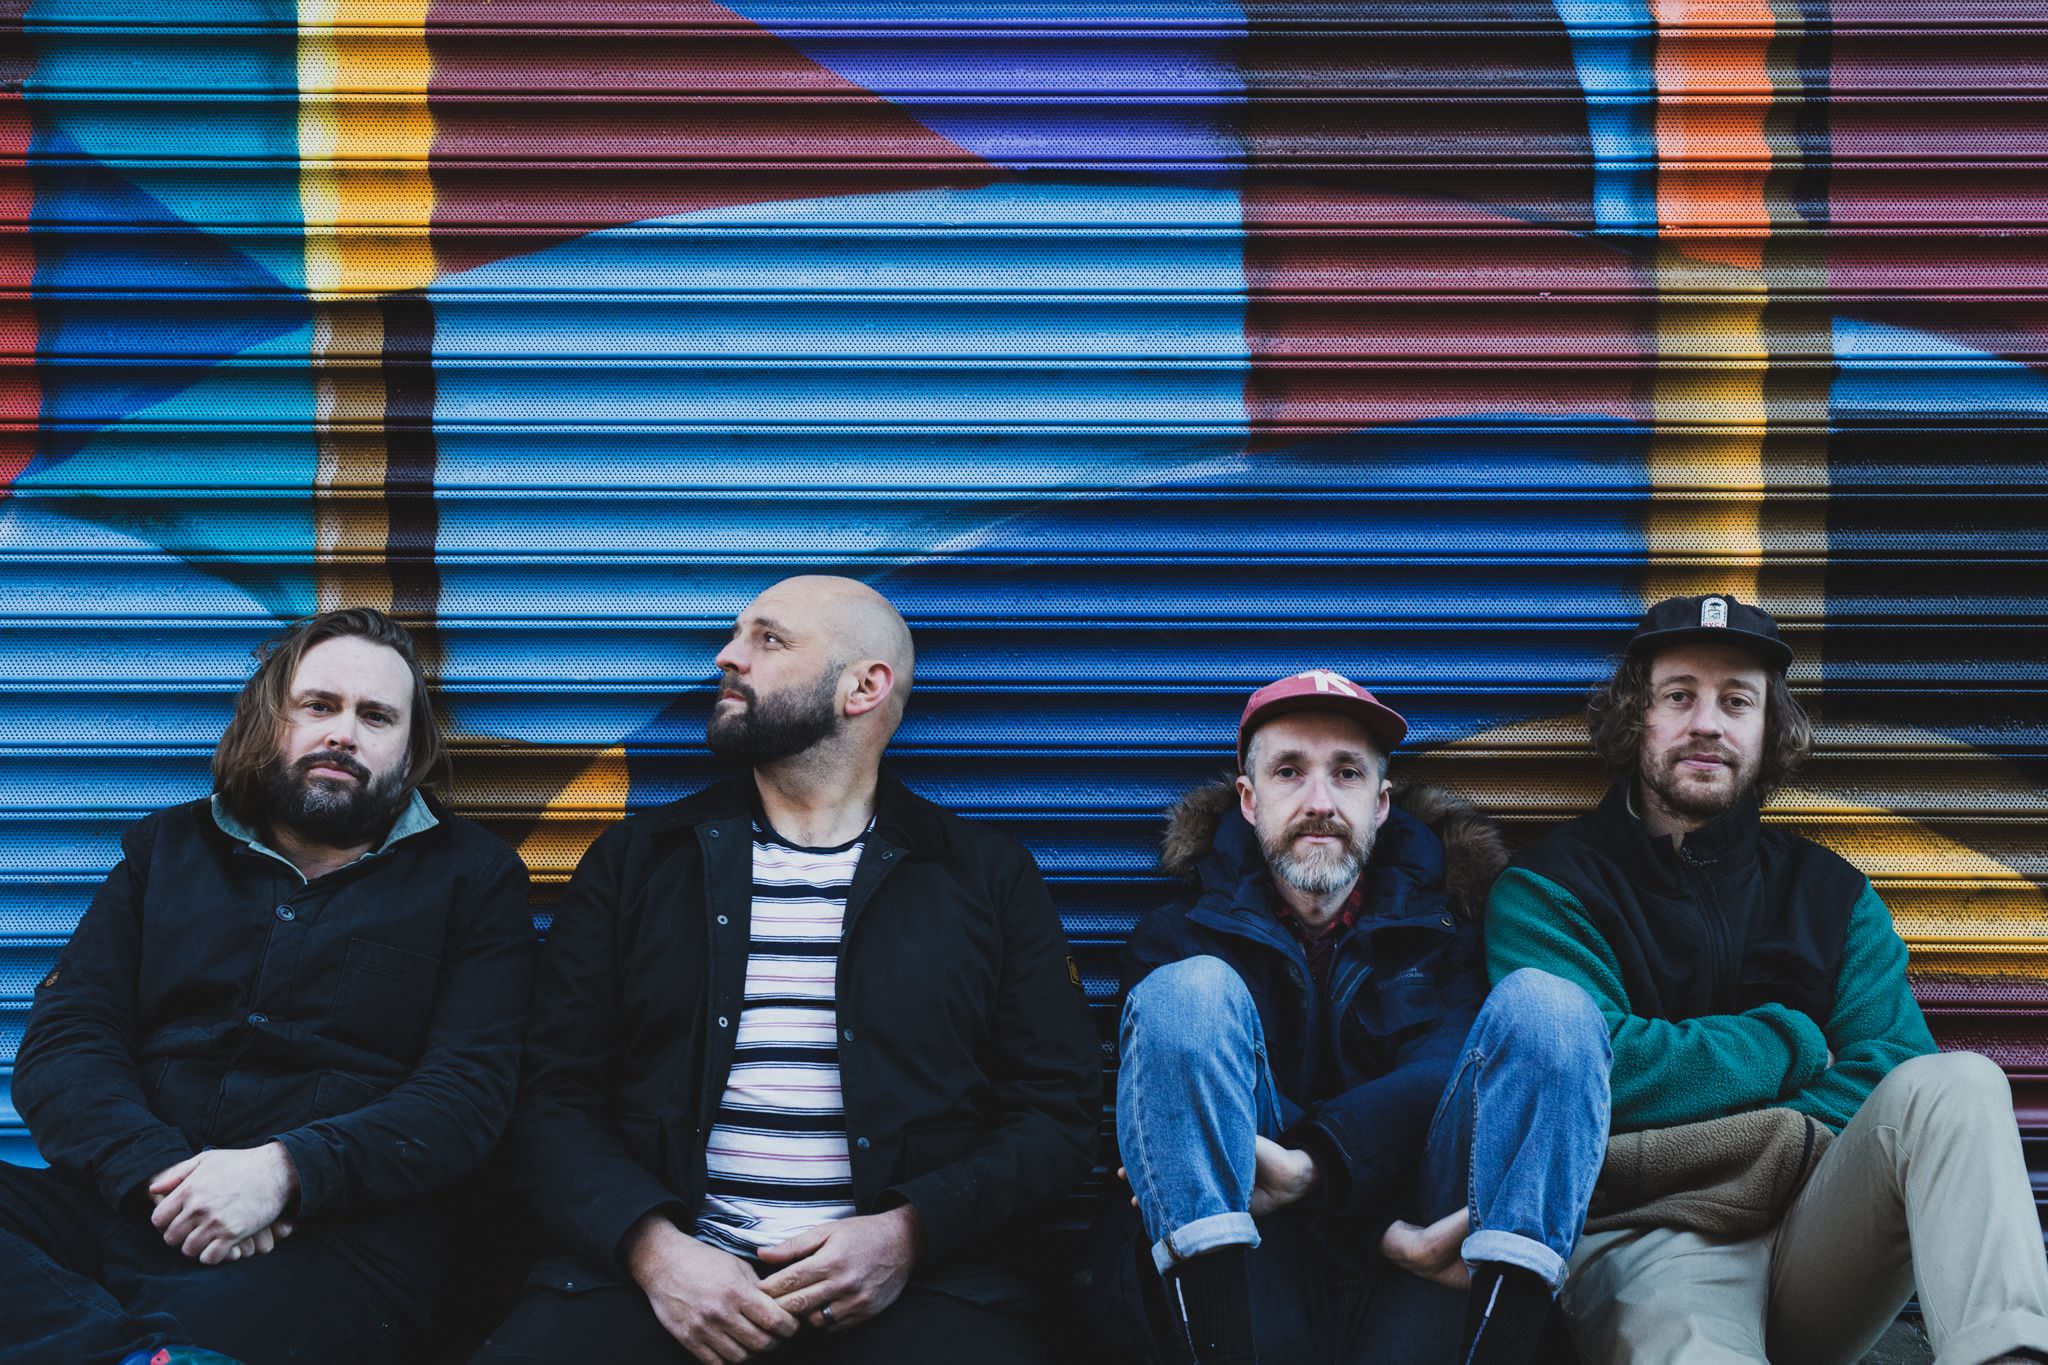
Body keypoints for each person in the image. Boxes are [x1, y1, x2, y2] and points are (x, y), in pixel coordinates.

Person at [474, 575, 1101, 1365]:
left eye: (768, 639)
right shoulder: (637, 862)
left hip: (920, 1293)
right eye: (738, 634)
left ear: (863, 687)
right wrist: (654, 1251)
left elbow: (1056, 1114)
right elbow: (549, 1095)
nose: (726, 656)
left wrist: (910, 1232)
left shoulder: (984, 876)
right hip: (655, 1287)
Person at [1486, 592, 2048, 1364]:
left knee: (1960, 1084)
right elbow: (1592, 1072)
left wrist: (1751, 1140)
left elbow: (1891, 1064)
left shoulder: (1831, 895)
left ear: (1767, 727)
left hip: (1819, 1227)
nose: (1707, 723)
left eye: (1736, 700)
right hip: (1653, 1234)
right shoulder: (1549, 889)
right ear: (1634, 716)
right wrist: (1788, 1043)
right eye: (1678, 695)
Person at [0, 608, 535, 1365]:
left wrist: (284, 1173)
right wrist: (163, 1176)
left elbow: (467, 1093)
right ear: (269, 720)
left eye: (376, 717)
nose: (343, 734)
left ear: (410, 753)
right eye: (319, 705)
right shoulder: (168, 849)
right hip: (133, 1198)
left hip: (327, 1242)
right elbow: (66, 1041)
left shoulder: (473, 878)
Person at [1092, 669, 1611, 1365]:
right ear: (1248, 799)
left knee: (1555, 1012)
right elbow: (1175, 1149)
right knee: (1188, 1000)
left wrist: (1309, 1167)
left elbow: (1441, 1084)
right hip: (1253, 1288)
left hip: (1424, 1280)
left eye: (1347, 774)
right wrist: (1372, 1223)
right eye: (1289, 772)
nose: (1320, 802)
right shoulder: (1175, 941)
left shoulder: (1449, 934)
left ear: (1381, 802)